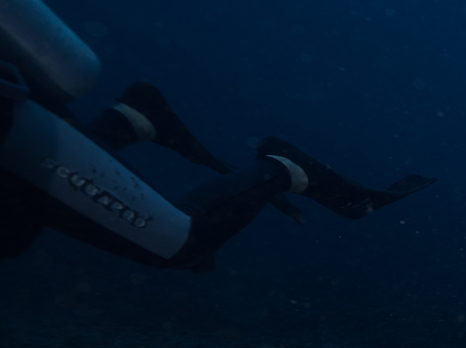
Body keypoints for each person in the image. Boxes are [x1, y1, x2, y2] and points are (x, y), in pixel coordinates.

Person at [0, 0, 432, 272]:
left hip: (13, 128)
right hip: (16, 130)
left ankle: (283, 169)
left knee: (185, 244)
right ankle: (129, 120)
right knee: (26, 212)